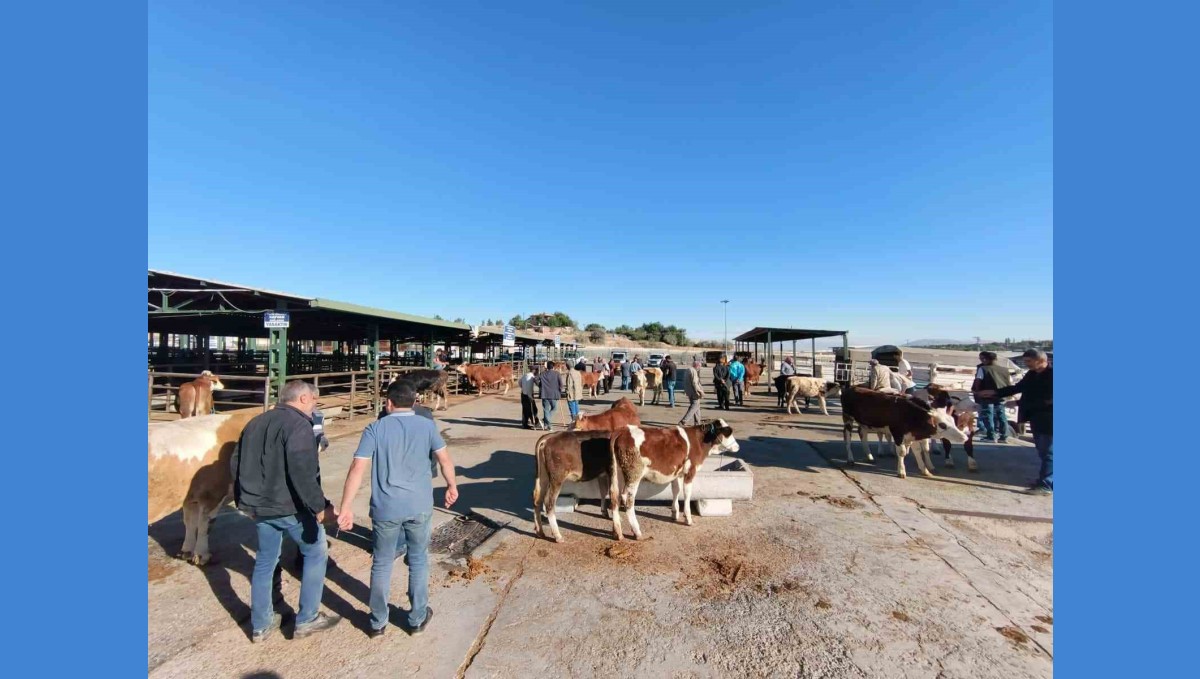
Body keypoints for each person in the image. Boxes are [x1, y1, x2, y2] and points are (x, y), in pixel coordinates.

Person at [338, 381, 459, 638]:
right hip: (419, 505)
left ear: (388, 403)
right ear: (415, 402)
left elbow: (357, 469)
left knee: (381, 563)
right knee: (418, 560)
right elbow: (444, 459)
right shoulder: (427, 426)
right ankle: (416, 618)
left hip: (385, 508)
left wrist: (346, 507)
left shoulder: (375, 428)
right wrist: (452, 485)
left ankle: (378, 622)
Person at [232, 380, 342, 643]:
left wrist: (244, 502)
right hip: (290, 507)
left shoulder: (255, 423)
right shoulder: (299, 426)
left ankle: (261, 625)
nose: (314, 406)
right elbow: (303, 472)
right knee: (316, 553)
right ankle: (307, 618)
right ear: (303, 398)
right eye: (314, 401)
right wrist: (321, 507)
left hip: (260, 508)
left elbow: (235, 463)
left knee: (265, 561)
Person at [978, 348, 1053, 495]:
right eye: (1025, 362)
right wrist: (995, 392)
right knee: (1043, 452)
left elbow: (1049, 401)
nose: (1026, 364)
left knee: (1049, 453)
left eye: (1029, 362)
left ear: (1042, 361)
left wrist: (1019, 404)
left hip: (1050, 419)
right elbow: (1018, 388)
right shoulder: (1032, 374)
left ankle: (1047, 485)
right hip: (1036, 418)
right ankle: (1045, 480)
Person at [971, 351, 1012, 443]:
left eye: (982, 358)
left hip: (987, 396)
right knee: (1001, 416)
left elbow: (978, 381)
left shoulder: (983, 368)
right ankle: (1004, 436)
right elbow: (1009, 383)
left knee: (987, 415)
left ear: (986, 359)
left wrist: (977, 392)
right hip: (1001, 396)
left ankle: (991, 436)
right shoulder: (1005, 369)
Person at [680, 360, 706, 425]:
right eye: (700, 366)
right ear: (697, 366)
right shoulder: (693, 371)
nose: (700, 368)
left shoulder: (688, 370)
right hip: (694, 392)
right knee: (694, 406)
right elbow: (695, 383)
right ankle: (684, 420)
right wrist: (700, 391)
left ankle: (697, 423)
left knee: (697, 407)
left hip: (689, 392)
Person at [539, 361, 563, 430]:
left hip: (545, 394)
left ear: (547, 367)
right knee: (554, 408)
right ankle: (548, 425)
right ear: (553, 367)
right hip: (554, 394)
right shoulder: (557, 374)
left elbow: (536, 379)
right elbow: (561, 385)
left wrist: (540, 386)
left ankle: (545, 422)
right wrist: (560, 391)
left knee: (546, 410)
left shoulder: (542, 373)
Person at [518, 365, 540, 430]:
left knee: (525, 409)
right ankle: (535, 422)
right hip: (528, 395)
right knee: (533, 410)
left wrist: (523, 387)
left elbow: (519, 382)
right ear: (534, 370)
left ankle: (525, 423)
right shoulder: (532, 377)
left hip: (523, 394)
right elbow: (529, 388)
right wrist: (530, 396)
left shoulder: (525, 375)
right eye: (537, 370)